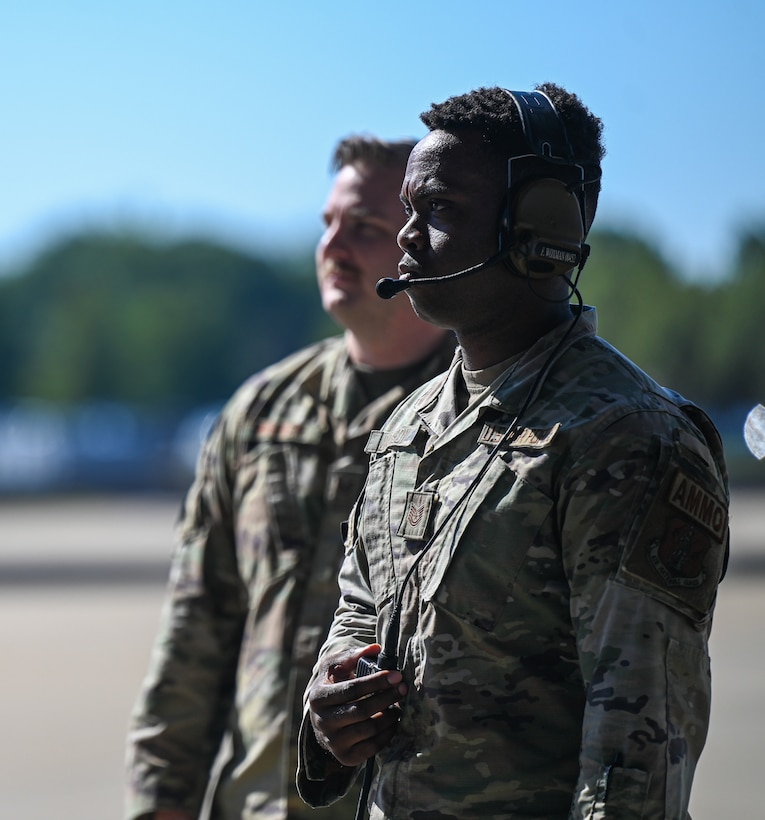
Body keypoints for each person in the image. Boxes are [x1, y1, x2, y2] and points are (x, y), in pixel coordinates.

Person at [298, 84, 730, 818]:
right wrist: (328, 711)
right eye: (409, 210)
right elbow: (359, 612)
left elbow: (635, 746)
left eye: (438, 210)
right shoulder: (407, 427)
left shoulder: (625, 437)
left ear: (540, 231)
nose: (406, 237)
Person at [125, 135, 456, 820]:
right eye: (327, 224)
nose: (331, 247)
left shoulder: (485, 415)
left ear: (422, 242)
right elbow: (197, 631)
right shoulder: (262, 413)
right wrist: (161, 801)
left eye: (363, 228)